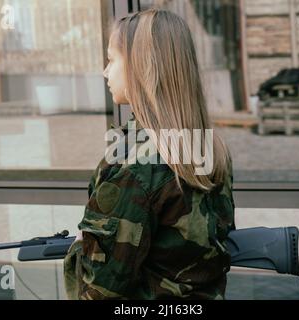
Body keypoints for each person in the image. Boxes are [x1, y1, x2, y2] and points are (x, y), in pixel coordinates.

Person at [63, 8, 236, 300]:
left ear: (139, 67)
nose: (106, 71)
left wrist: (80, 248)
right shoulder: (211, 147)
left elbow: (100, 291)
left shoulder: (133, 163)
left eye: (111, 60)